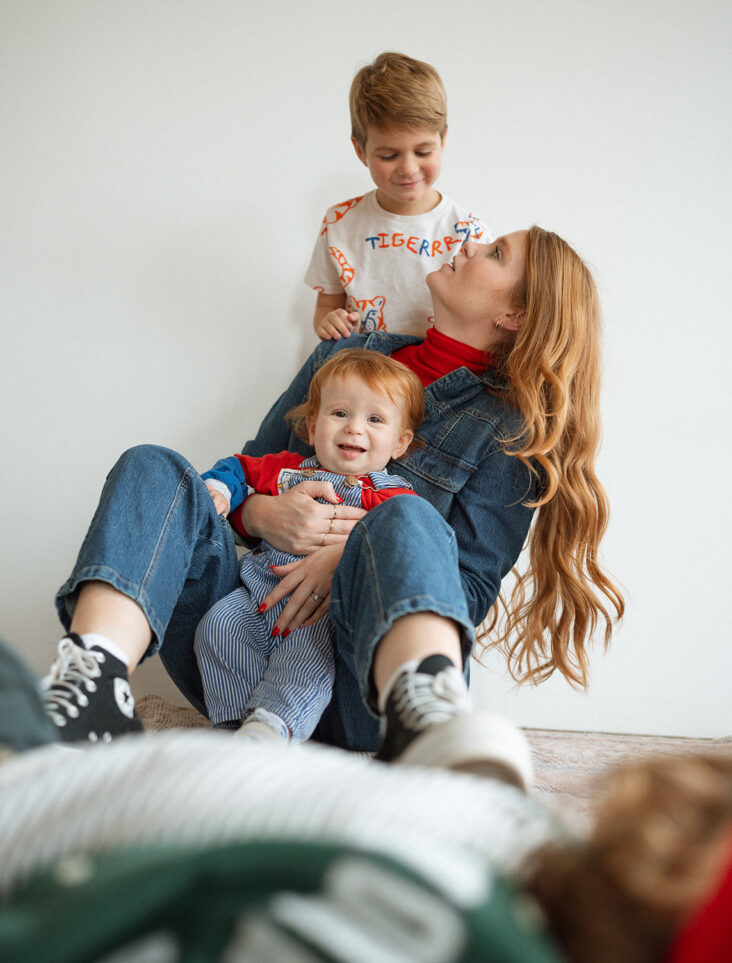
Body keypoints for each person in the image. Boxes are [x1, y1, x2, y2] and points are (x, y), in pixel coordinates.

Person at [44, 226, 624, 769]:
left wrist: (349, 558)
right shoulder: (341, 355)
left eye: (495, 253)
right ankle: (92, 682)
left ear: (513, 315)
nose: (469, 245)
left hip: (360, 694)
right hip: (243, 656)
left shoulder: (510, 429)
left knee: (405, 514)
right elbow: (247, 474)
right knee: (156, 467)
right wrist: (262, 514)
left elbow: (468, 592)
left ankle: (428, 718)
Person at [1, 643, 730, 963]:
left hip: (43, 800)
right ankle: (429, 705)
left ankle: (424, 708)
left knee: (405, 521)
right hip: (72, 793)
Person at [196, 349, 422, 743]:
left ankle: (274, 725)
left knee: (308, 657)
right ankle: (235, 727)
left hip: (320, 612)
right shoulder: (286, 470)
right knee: (218, 626)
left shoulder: (391, 497)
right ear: (313, 424)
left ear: (400, 442)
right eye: (340, 414)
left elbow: (409, 537)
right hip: (255, 597)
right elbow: (238, 467)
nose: (354, 429)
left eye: (374, 419)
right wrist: (219, 490)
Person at [306, 51, 491, 340]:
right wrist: (330, 321)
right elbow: (327, 307)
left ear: (443, 140)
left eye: (423, 152)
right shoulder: (339, 224)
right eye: (389, 155)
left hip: (438, 368)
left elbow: (485, 320)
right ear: (360, 151)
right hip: (367, 371)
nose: (408, 168)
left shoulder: (470, 233)